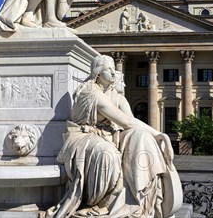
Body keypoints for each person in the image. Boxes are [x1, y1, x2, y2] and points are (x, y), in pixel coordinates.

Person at [46, 55, 182, 218]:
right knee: (107, 154)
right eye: (108, 69)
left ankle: (142, 199)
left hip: (108, 135)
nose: (114, 72)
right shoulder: (91, 92)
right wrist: (160, 134)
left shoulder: (114, 96)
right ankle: (107, 202)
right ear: (97, 73)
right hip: (83, 138)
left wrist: (156, 136)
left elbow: (131, 122)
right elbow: (126, 122)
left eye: (114, 69)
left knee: (141, 137)